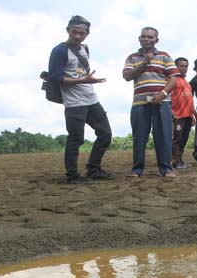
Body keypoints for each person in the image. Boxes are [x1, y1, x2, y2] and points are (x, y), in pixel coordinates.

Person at [47, 15, 113, 184]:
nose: (77, 36)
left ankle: (93, 168)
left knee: (105, 134)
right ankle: (72, 176)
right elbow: (55, 79)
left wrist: (87, 81)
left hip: (91, 99)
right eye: (74, 32)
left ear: (86, 34)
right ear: (68, 30)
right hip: (74, 103)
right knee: (76, 139)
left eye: (81, 33)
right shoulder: (59, 51)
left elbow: (81, 72)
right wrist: (84, 80)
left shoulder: (85, 48)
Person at [123, 27, 179, 178]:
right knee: (139, 137)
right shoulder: (132, 57)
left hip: (162, 102)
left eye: (150, 37)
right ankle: (137, 170)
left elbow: (173, 78)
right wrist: (145, 62)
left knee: (164, 136)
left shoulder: (164, 56)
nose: (146, 39)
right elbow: (127, 76)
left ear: (156, 40)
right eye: (143, 37)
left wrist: (163, 93)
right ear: (139, 39)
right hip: (140, 103)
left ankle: (166, 169)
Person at [170, 57, 197, 169]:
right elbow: (167, 96)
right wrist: (171, 112)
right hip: (178, 115)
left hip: (188, 116)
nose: (184, 68)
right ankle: (175, 161)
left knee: (184, 139)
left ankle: (180, 160)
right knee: (177, 139)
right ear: (175, 66)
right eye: (181, 66)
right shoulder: (172, 80)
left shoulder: (187, 83)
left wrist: (194, 115)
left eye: (185, 66)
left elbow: (189, 101)